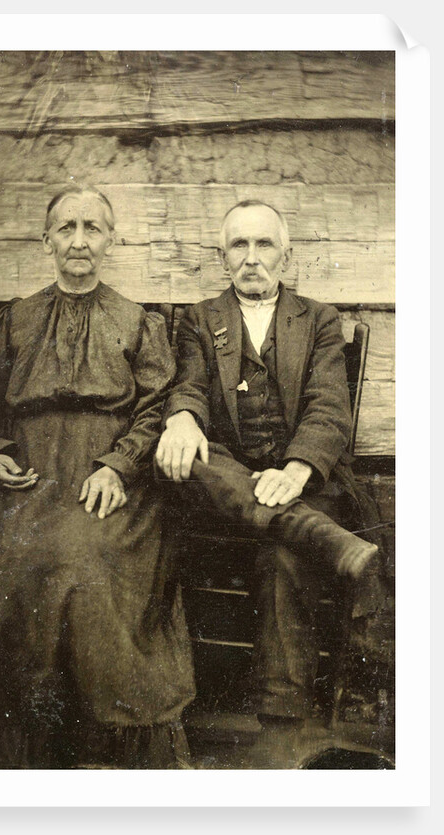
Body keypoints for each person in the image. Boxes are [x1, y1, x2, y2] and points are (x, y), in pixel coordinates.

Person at [0, 185, 196, 769]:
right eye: (67, 227)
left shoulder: (136, 322)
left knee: (86, 562)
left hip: (106, 478)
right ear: (47, 239)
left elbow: (157, 406)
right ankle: (21, 737)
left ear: (112, 240)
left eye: (93, 228)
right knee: (11, 561)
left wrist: (120, 464)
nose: (79, 240)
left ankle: (105, 738)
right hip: (28, 476)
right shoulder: (17, 319)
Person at [156, 200, 379, 731]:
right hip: (226, 481)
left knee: (283, 555)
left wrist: (296, 471)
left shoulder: (319, 319)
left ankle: (283, 721)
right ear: (222, 255)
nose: (251, 258)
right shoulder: (197, 320)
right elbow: (187, 384)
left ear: (287, 255)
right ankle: (317, 534)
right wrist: (183, 417)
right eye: (239, 245)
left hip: (303, 483)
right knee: (193, 454)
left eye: (264, 245)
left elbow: (329, 406)